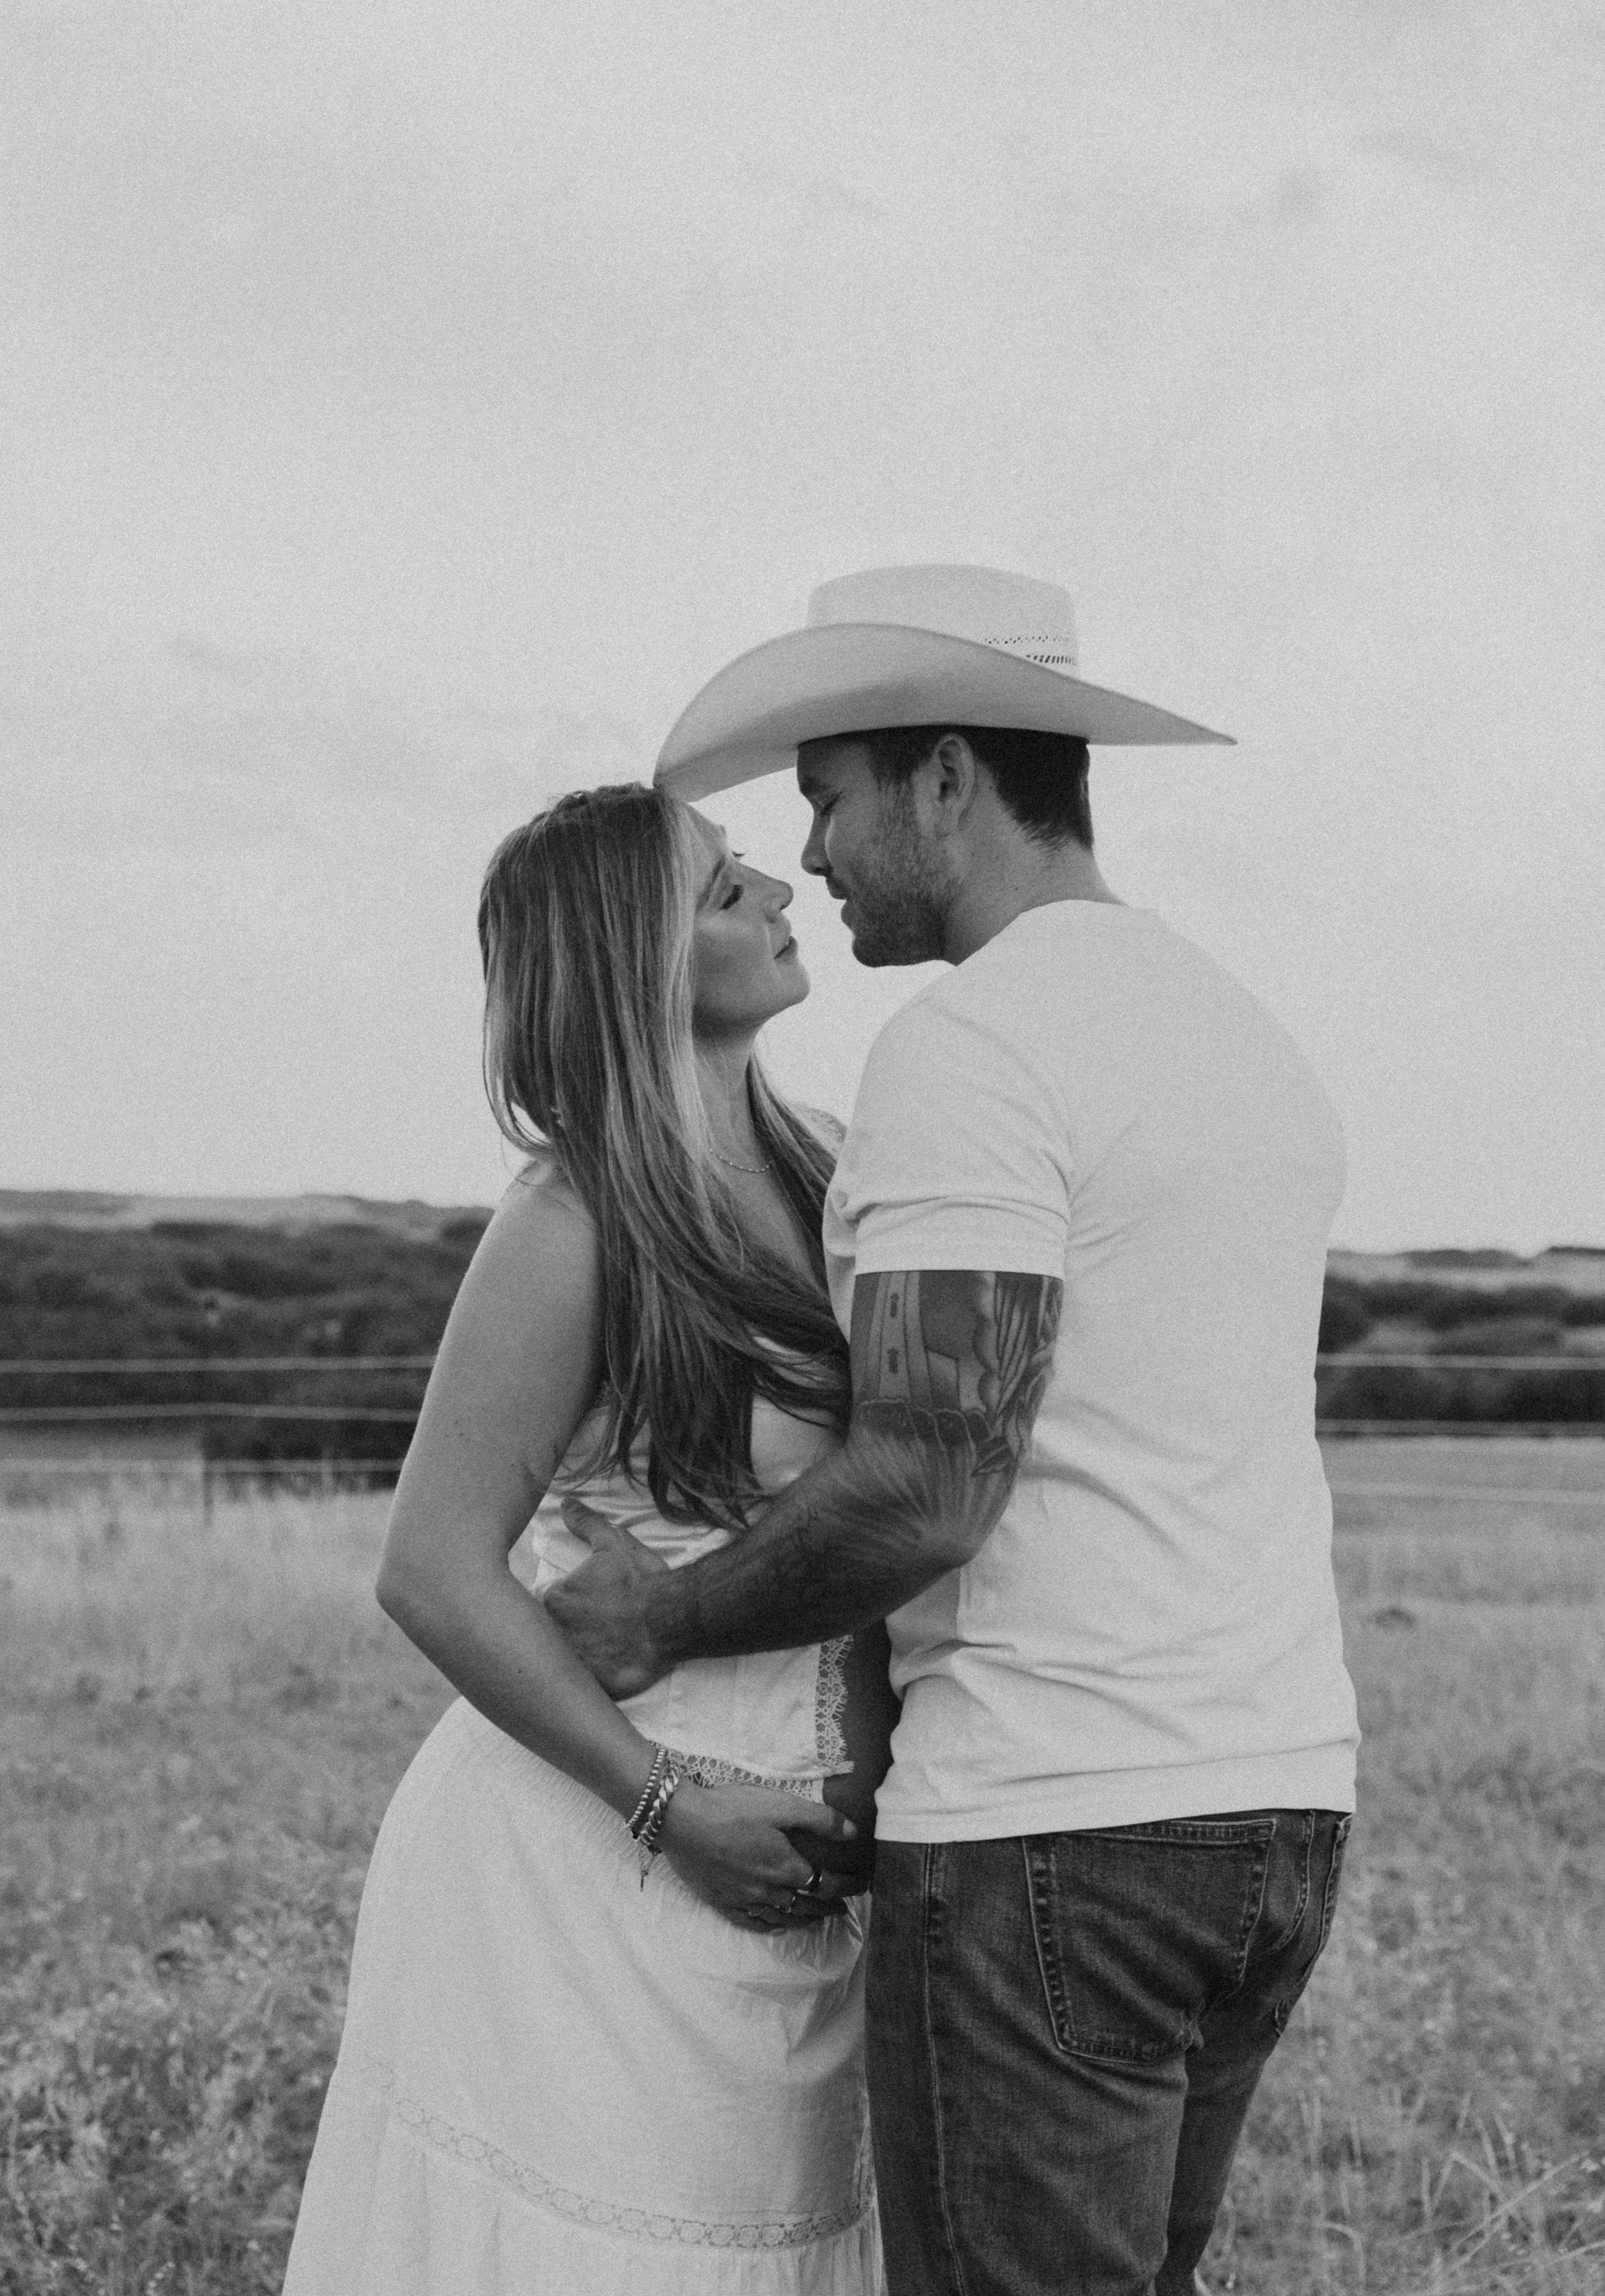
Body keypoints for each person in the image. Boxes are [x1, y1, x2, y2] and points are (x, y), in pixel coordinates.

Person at [546, 564, 1362, 2296]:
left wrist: (659, 1619)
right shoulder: (1237, 1033)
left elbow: (928, 1476)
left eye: (829, 797)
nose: (815, 853)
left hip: (1049, 1824)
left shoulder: (975, 1046)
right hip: (1275, 1800)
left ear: (941, 778)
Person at [283, 783, 897, 2293]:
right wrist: (662, 1802)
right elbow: (431, 1567)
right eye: (722, 888)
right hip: (586, 1863)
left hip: (811, 1856)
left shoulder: (838, 1166)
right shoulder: (573, 1222)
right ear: (634, 960)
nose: (781, 885)